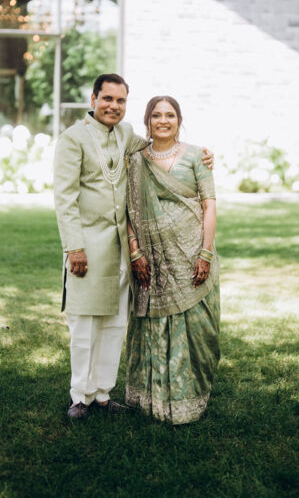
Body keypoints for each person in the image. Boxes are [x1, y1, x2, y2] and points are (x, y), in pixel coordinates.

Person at [53, 75, 213, 420]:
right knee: (84, 324)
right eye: (107, 98)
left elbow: (160, 144)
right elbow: (64, 198)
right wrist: (73, 247)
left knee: (114, 324)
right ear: (93, 99)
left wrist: (200, 154)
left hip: (122, 249)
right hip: (87, 247)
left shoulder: (125, 134)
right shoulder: (73, 139)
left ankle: (102, 394)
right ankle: (79, 397)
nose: (113, 106)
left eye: (120, 101)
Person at [125, 96, 220, 425]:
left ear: (179, 120)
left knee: (196, 327)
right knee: (153, 325)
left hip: (191, 254)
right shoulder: (135, 159)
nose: (163, 121)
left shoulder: (196, 155)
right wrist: (134, 250)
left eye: (170, 115)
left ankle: (189, 395)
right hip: (150, 258)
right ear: (147, 121)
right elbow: (127, 209)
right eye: (156, 115)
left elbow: (209, 205)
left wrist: (205, 253)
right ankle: (151, 398)